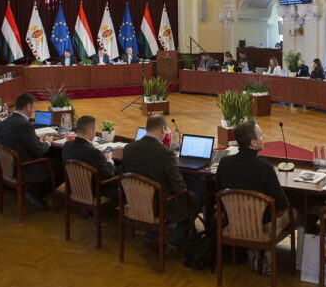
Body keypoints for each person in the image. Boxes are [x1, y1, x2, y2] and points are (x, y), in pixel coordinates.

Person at [216, 120, 290, 274]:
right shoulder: (265, 168)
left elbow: (218, 191)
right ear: (253, 142)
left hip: (234, 220)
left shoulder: (224, 163)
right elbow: (283, 203)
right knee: (299, 215)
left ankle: (255, 249)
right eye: (261, 135)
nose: (264, 137)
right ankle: (265, 250)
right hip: (260, 223)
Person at [121, 114, 199, 248]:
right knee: (194, 198)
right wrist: (185, 188)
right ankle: (175, 241)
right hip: (159, 206)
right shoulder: (166, 153)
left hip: (135, 201)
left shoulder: (129, 148)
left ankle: (151, 235)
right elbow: (178, 187)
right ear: (163, 129)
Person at [0, 93, 57, 210]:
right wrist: (47, 142)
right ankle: (36, 194)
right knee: (59, 165)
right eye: (33, 107)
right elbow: (37, 152)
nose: (34, 110)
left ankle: (32, 191)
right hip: (23, 168)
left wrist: (37, 141)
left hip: (8, 166)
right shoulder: (25, 125)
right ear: (28, 107)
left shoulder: (5, 122)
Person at [62, 115, 118, 200]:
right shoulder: (94, 153)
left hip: (74, 188)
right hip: (93, 192)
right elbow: (108, 176)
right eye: (95, 130)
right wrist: (109, 160)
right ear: (90, 131)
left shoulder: (67, 145)